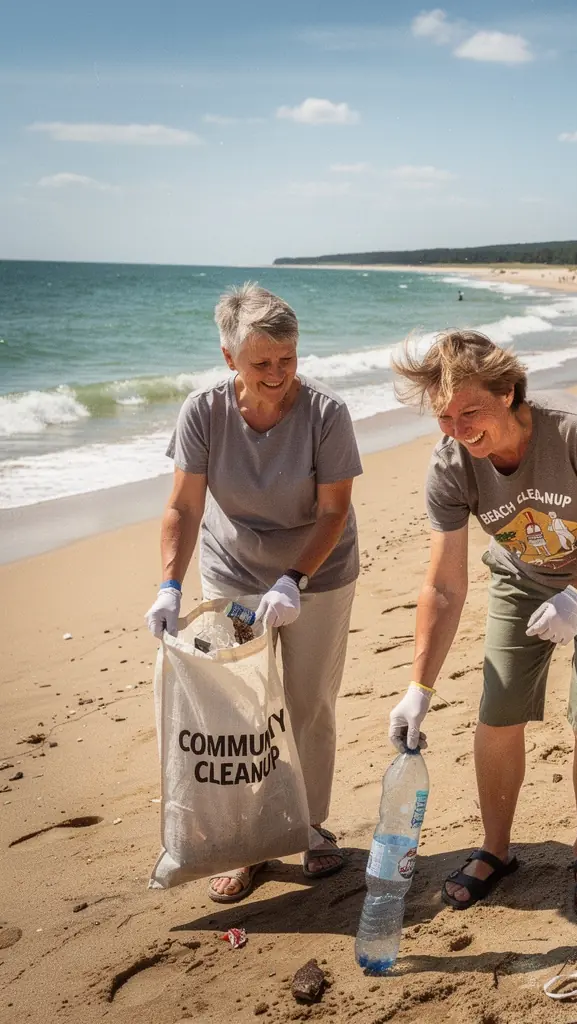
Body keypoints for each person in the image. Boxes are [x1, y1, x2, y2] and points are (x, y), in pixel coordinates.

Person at [387, 331, 577, 916]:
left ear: (509, 392)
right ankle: (496, 848)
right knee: (498, 708)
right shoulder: (451, 465)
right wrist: (419, 687)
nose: (460, 430)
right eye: (445, 417)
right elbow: (443, 584)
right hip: (524, 573)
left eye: (472, 412)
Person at [145, 284, 362, 902]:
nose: (278, 374)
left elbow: (334, 511)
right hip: (233, 571)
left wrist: (294, 579)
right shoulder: (203, 412)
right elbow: (184, 507)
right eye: (261, 362)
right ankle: (244, 841)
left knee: (306, 701)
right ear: (229, 358)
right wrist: (168, 586)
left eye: (287, 359)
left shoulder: (326, 413)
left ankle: (310, 825)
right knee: (238, 710)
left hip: (317, 571)